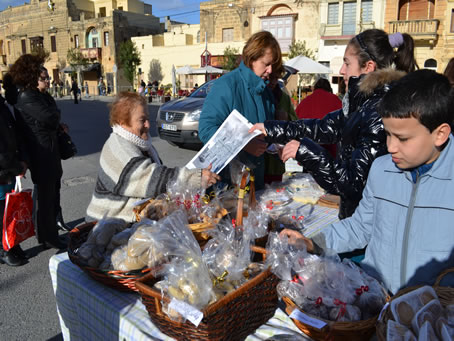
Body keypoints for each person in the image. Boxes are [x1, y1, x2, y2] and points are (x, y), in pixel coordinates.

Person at [282, 70, 454, 294]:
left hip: (433, 315)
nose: (391, 147)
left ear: (439, 134)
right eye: (388, 135)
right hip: (379, 301)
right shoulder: (382, 169)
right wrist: (313, 243)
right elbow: (360, 227)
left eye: (402, 138)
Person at [250, 29, 417, 219]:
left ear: (369, 67)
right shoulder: (363, 104)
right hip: (357, 220)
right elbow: (322, 127)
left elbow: (352, 182)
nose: (341, 71)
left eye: (347, 63)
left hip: (368, 226)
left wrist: (305, 150)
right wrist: (271, 129)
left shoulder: (379, 112)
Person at [86, 92, 220, 222]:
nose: (148, 125)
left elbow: (160, 181)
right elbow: (150, 178)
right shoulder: (117, 148)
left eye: (148, 119)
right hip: (105, 225)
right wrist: (194, 177)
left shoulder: (141, 144)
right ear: (123, 123)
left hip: (127, 220)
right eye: (142, 120)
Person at [199, 31, 281, 190]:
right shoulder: (226, 86)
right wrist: (244, 143)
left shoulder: (266, 93)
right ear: (252, 59)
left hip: (256, 182)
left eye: (273, 65)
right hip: (226, 186)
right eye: (266, 64)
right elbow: (206, 130)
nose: (270, 70)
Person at [10, 55, 70, 249]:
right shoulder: (27, 96)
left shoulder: (41, 95)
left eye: (47, 77)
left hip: (49, 149)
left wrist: (55, 117)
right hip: (40, 152)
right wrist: (55, 117)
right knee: (45, 197)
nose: (48, 81)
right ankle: (48, 236)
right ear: (33, 78)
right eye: (44, 78)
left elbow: (52, 114)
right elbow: (50, 117)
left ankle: (48, 234)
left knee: (51, 195)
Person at [0, 74, 29, 266]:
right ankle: (4, 249)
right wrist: (16, 165)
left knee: (9, 210)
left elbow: (13, 134)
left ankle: (11, 243)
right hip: (2, 169)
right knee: (2, 210)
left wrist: (21, 160)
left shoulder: (2, 104)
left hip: (8, 167)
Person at [295, 78, 342, 157]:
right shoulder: (335, 100)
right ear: (329, 89)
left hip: (308, 149)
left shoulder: (305, 101)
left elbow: (295, 121)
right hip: (330, 148)